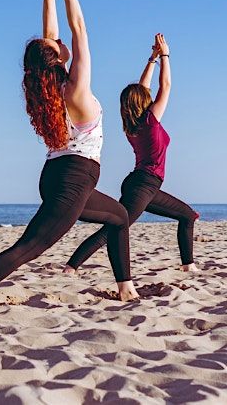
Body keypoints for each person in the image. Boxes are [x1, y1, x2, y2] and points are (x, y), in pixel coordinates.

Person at [0, 0, 137, 306]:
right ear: (55, 57)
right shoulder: (76, 90)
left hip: (59, 176)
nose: (56, 40)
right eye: (53, 44)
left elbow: (52, 33)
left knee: (119, 218)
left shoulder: (50, 90)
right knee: (31, 246)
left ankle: (125, 286)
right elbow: (79, 29)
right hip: (73, 179)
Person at [66, 33, 199, 277]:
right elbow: (165, 86)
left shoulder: (133, 122)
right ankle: (71, 266)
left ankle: (188, 264)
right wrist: (166, 55)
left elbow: (142, 89)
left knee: (187, 215)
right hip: (144, 185)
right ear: (142, 103)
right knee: (115, 227)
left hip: (144, 185)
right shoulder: (150, 120)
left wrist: (152, 58)